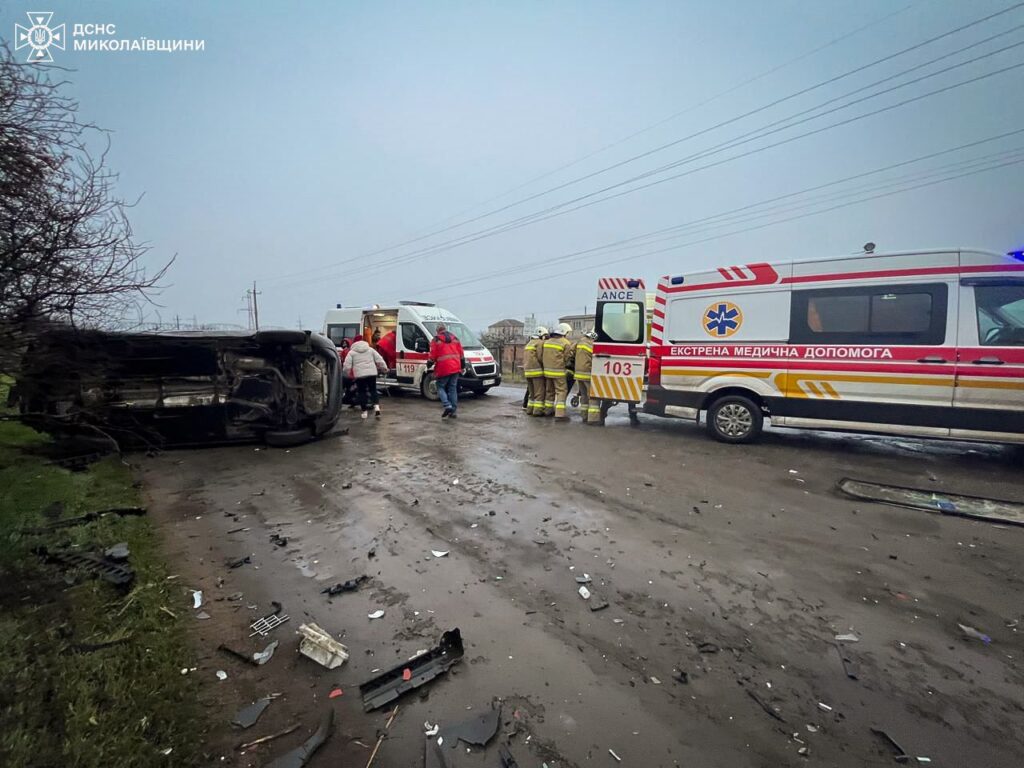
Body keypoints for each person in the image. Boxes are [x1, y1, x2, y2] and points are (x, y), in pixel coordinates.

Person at [343, 339, 387, 419]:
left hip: (360, 375)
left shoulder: (351, 353)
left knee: (362, 392)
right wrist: (384, 368)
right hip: (371, 374)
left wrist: (346, 373)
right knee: (373, 390)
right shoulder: (370, 350)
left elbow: (347, 365)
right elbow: (379, 359)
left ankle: (364, 412)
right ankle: (376, 407)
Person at [428, 322, 465, 419]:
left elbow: (432, 355)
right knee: (452, 389)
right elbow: (461, 354)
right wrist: (463, 366)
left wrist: (429, 364)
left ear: (437, 330)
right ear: (445, 328)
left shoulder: (436, 340)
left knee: (440, 387)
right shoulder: (455, 338)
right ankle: (453, 411)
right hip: (456, 367)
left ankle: (447, 405)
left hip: (443, 368)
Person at [541, 323, 574, 420]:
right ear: (564, 332)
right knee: (561, 392)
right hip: (558, 372)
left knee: (549, 391)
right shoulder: (565, 343)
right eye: (567, 332)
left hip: (547, 372)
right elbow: (568, 357)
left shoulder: (547, 342)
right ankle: (560, 414)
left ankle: (548, 411)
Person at [573, 331, 601, 424]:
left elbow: (571, 352)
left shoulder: (579, 343)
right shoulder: (591, 345)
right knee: (592, 396)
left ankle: (584, 416)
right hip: (587, 374)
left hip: (578, 374)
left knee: (584, 396)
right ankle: (593, 419)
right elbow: (597, 358)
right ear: (592, 338)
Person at [523, 326, 547, 416]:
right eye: (545, 335)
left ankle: (529, 410)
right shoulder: (540, 343)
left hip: (527, 371)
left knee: (531, 393)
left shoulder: (529, 343)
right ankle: (537, 411)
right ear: (541, 335)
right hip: (536, 371)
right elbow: (541, 357)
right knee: (539, 393)